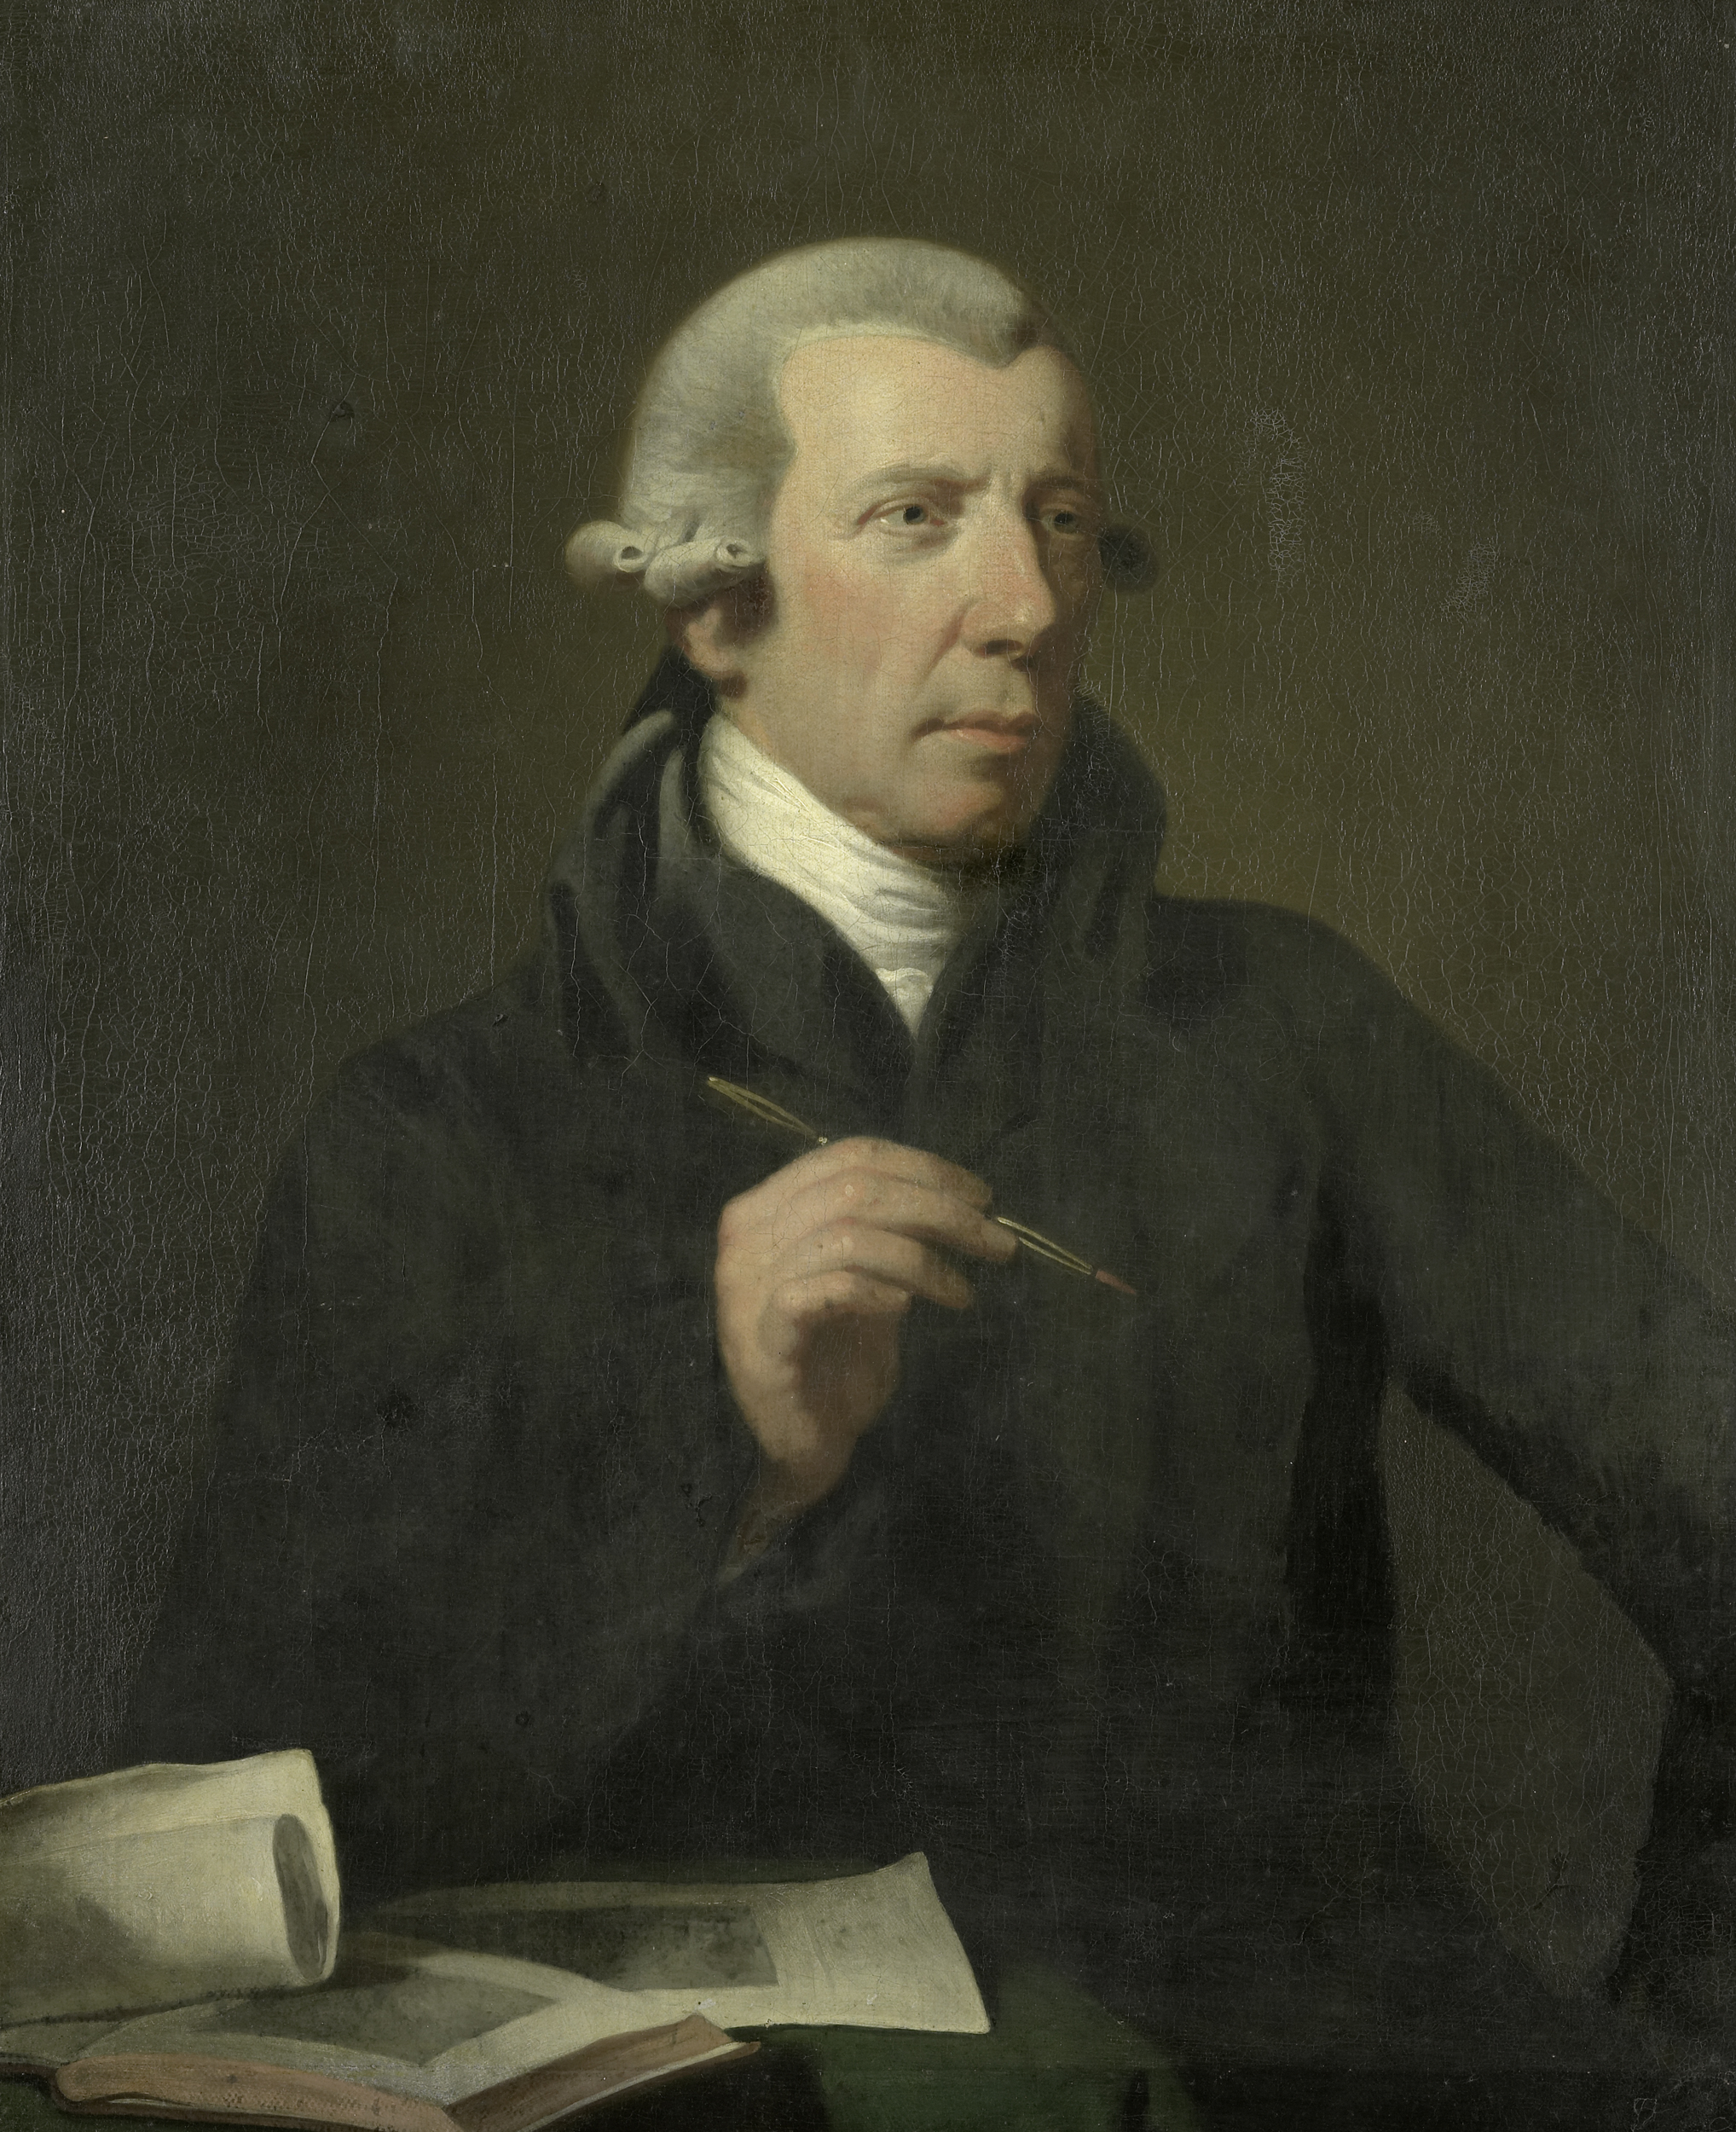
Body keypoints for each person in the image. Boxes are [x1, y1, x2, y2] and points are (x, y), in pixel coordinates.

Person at [129, 239, 1735, 2119]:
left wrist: (1686, 2060)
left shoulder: (1286, 1028)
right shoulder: (437, 1130)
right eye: (916, 517)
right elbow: (226, 1846)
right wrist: (722, 1455)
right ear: (713, 607)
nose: (1026, 605)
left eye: (1061, 522)